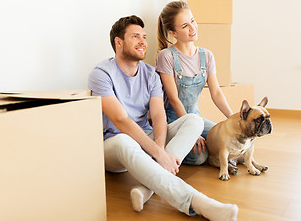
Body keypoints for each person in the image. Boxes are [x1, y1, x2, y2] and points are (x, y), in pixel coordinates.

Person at [88, 15, 238, 221]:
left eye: (144, 37)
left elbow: (158, 115)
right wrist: (159, 153)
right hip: (114, 145)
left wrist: (159, 151)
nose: (143, 42)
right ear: (119, 42)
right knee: (123, 140)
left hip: (145, 138)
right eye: (135, 37)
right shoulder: (101, 74)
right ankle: (197, 202)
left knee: (194, 120)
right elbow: (121, 121)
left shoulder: (150, 74)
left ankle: (145, 189)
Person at [156, 1, 233, 166]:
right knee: (200, 157)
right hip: (175, 121)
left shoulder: (207, 56)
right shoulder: (166, 56)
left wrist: (233, 118)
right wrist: (191, 132)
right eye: (185, 25)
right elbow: (174, 99)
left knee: (226, 140)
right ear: (173, 32)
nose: (193, 28)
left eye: (193, 20)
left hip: (197, 118)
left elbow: (216, 92)